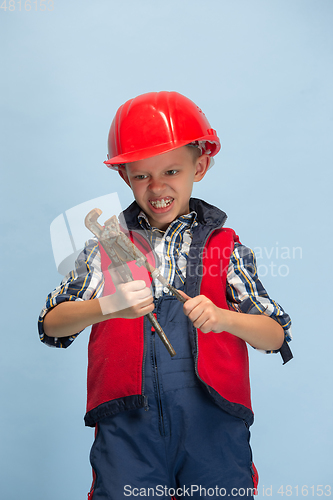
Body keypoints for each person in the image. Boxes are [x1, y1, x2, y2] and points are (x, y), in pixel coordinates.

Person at [38, 91, 292, 500]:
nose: (157, 187)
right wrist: (107, 306)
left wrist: (225, 318)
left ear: (201, 165)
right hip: (128, 432)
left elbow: (275, 335)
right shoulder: (105, 246)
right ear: (125, 177)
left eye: (172, 171)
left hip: (214, 427)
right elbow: (51, 325)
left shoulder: (225, 249)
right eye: (141, 176)